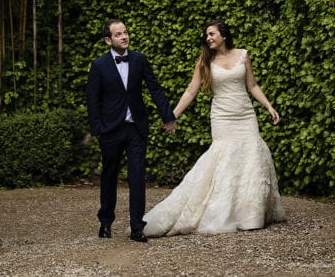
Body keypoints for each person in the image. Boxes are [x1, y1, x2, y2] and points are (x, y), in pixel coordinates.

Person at [143, 19, 286, 237]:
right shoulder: (205, 61)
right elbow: (191, 91)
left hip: (246, 115)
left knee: (251, 158)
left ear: (224, 35)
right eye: (207, 35)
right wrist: (172, 117)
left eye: (212, 34)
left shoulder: (243, 55)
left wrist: (269, 106)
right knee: (225, 159)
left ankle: (251, 216)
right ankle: (224, 213)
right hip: (222, 117)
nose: (208, 38)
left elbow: (252, 85)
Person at [86, 18, 177, 242]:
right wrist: (98, 129)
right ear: (108, 40)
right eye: (118, 34)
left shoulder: (139, 60)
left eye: (125, 32)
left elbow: (155, 89)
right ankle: (105, 222)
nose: (124, 36)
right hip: (111, 130)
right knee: (109, 175)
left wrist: (168, 116)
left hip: (136, 128)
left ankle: (137, 227)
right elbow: (92, 100)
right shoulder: (99, 66)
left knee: (137, 176)